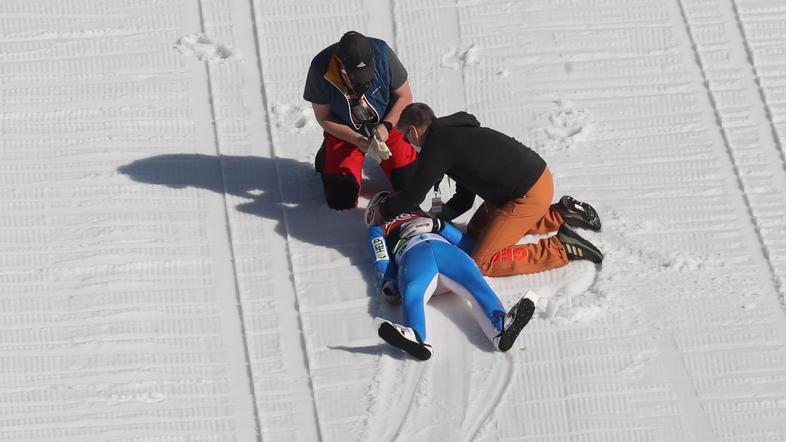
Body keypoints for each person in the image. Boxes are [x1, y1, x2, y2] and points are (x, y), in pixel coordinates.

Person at [368, 102, 603, 277]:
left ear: (413, 131)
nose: (409, 145)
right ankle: (561, 213)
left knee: (481, 261)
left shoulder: (437, 146)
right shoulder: (453, 134)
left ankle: (560, 248)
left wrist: (386, 209)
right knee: (476, 232)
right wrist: (437, 219)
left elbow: (414, 195)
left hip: (525, 196)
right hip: (535, 180)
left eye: (406, 138)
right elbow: (464, 199)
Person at [365, 191, 538, 360]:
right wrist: (388, 280)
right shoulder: (378, 229)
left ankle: (501, 327)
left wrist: (439, 226)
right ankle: (417, 336)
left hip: (447, 253)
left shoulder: (427, 216)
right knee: (413, 292)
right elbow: (380, 257)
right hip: (412, 256)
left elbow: (468, 245)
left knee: (475, 283)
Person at [304, 31, 418, 210]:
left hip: (387, 124)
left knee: (411, 185)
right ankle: (328, 154)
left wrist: (387, 126)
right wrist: (356, 139)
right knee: (341, 199)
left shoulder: (383, 54)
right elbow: (324, 117)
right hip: (346, 131)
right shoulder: (321, 68)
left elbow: (404, 97)